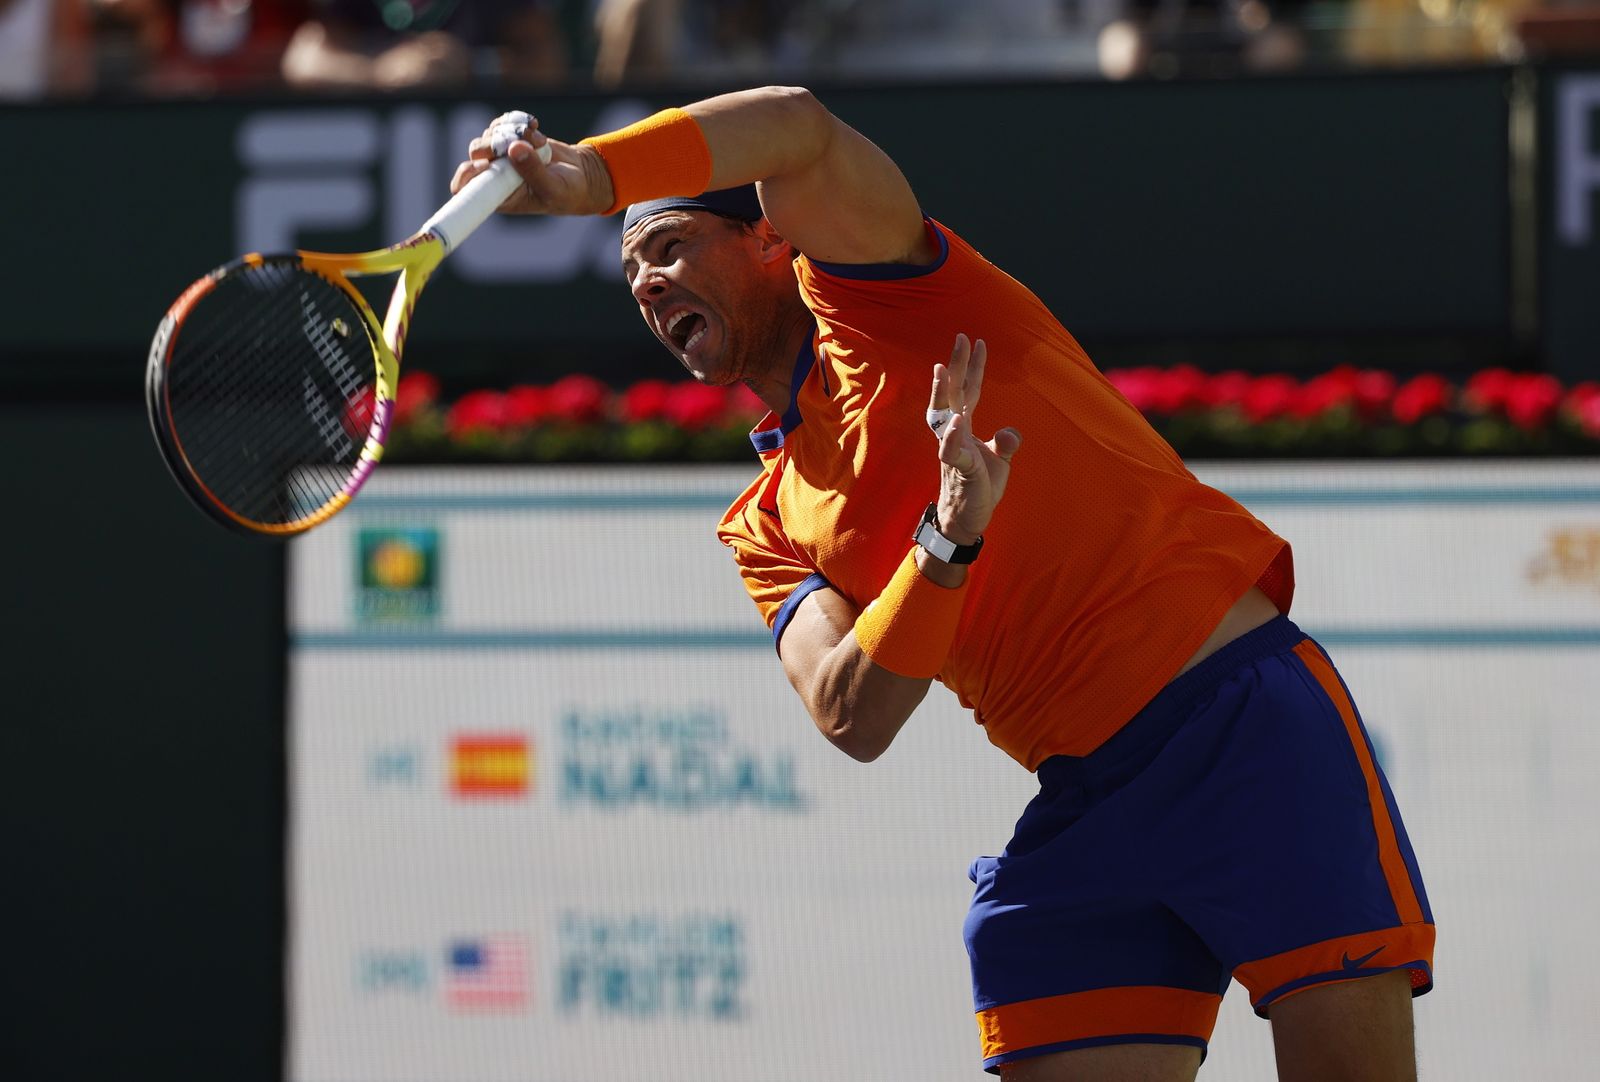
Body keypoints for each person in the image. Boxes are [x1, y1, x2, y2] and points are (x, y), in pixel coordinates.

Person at [450, 88, 1434, 1080]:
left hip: (1238, 727)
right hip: (1086, 797)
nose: (646, 285)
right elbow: (853, 715)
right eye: (628, 273)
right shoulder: (764, 519)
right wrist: (943, 544)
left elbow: (795, 123)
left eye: (665, 248)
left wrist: (591, 176)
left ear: (769, 238)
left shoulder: (890, 296)